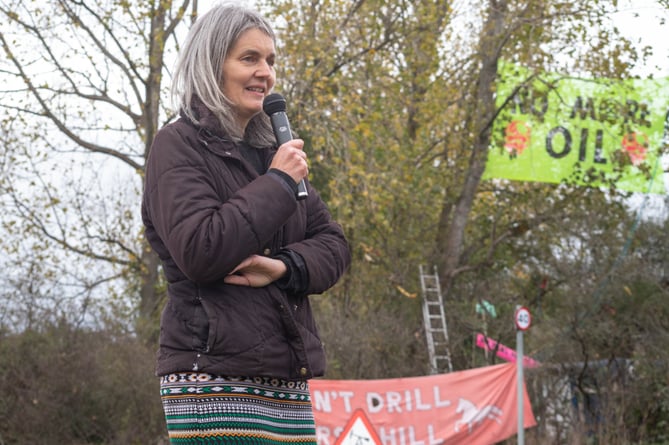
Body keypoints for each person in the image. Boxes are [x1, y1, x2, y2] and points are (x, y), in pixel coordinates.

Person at [141, 3, 351, 444]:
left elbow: (333, 244)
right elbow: (201, 248)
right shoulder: (176, 146)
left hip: (286, 382)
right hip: (212, 383)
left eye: (270, 61)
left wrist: (284, 267)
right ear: (211, 64)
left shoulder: (272, 155)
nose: (266, 73)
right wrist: (277, 182)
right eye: (249, 58)